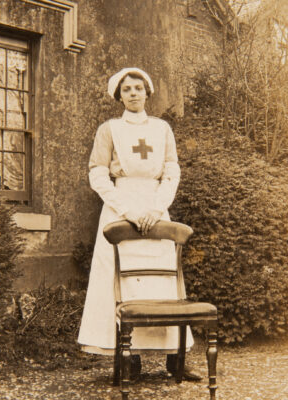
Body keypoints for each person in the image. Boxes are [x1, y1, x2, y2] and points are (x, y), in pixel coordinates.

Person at [78, 67, 201, 381]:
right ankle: (128, 359)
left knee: (165, 281)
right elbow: (97, 174)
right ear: (119, 95)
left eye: (138, 88)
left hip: (156, 206)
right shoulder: (109, 129)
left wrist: (158, 208)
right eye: (127, 89)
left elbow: (171, 171)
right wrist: (128, 211)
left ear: (148, 93)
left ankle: (176, 357)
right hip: (120, 207)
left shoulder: (162, 129)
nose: (133, 93)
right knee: (121, 283)